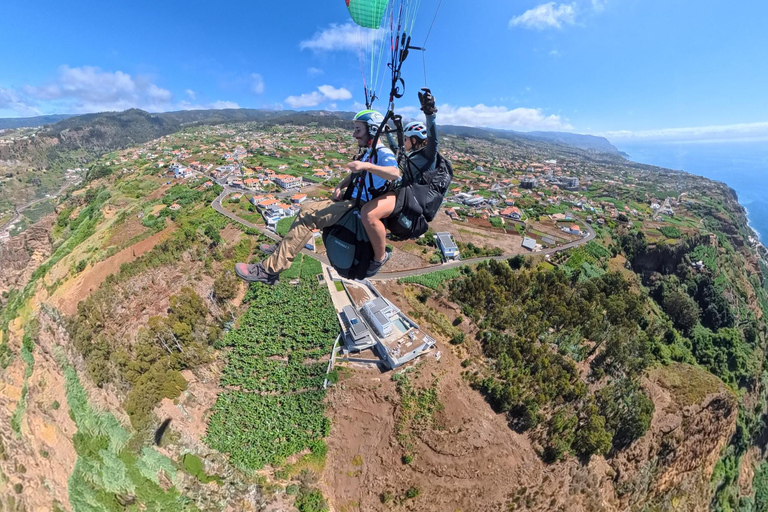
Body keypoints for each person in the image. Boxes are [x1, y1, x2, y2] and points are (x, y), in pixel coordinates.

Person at [234, 110, 399, 284]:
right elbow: (358, 174)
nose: (354, 135)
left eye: (358, 130)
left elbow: (394, 173)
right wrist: (340, 185)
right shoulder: (369, 153)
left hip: (358, 205)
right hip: (351, 201)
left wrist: (365, 165)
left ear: (372, 130)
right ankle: (281, 249)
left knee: (308, 216)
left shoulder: (383, 153)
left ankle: (268, 271)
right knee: (305, 208)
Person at [360, 88, 439, 277]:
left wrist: (429, 114)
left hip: (410, 199)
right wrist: (388, 132)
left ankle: (379, 257)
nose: (403, 141)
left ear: (415, 139)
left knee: (370, 213)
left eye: (406, 139)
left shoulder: (428, 157)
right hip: (402, 194)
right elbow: (397, 150)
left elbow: (433, 141)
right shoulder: (411, 156)